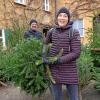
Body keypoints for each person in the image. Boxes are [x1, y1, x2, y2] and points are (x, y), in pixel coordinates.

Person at [43, 7, 81, 100]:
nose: (62, 18)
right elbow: (45, 44)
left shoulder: (73, 32)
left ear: (68, 19)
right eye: (60, 15)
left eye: (65, 16)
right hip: (55, 71)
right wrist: (43, 55)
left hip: (70, 71)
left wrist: (58, 60)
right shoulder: (52, 31)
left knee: (74, 98)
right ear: (57, 18)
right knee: (57, 98)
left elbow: (76, 53)